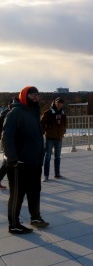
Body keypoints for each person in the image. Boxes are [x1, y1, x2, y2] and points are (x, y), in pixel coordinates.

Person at [2, 86, 49, 234]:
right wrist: (12, 159)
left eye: (38, 94)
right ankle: (14, 225)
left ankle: (35, 218)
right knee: (17, 195)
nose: (36, 97)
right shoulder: (15, 113)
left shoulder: (33, 112)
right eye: (32, 95)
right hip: (19, 163)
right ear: (24, 96)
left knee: (35, 192)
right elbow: (7, 137)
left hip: (34, 162)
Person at [41, 97, 67, 181]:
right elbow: (41, 123)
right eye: (57, 102)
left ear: (62, 104)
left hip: (59, 138)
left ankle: (57, 174)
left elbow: (65, 124)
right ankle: (46, 175)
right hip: (50, 138)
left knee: (57, 157)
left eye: (61, 103)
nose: (59, 104)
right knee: (47, 157)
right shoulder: (48, 112)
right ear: (54, 103)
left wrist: (63, 132)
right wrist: (46, 129)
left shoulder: (63, 113)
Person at [0, 99, 15, 189]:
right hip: (9, 142)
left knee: (7, 163)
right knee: (9, 163)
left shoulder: (7, 114)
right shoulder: (7, 114)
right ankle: (15, 185)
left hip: (10, 141)